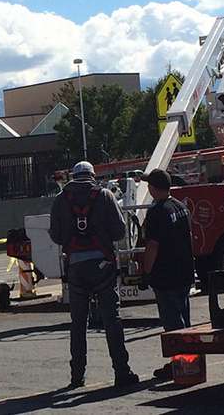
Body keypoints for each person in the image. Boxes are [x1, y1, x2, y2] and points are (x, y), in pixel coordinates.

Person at [49, 160, 140, 390]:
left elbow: (57, 236)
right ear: (92, 175)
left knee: (78, 324)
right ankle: (122, 371)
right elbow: (120, 231)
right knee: (112, 319)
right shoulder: (106, 196)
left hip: (76, 268)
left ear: (74, 176)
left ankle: (77, 377)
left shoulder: (61, 200)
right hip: (102, 266)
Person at [139, 169, 195, 382]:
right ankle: (190, 361)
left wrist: (146, 272)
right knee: (185, 321)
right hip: (184, 271)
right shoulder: (181, 207)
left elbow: (153, 246)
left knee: (173, 324)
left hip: (166, 274)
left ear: (153, 188)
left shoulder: (157, 212)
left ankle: (181, 365)